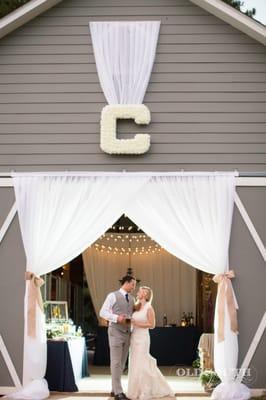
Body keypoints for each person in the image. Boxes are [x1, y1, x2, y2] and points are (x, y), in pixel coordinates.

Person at [127, 286, 175, 400]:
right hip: (134, 337)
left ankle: (146, 390)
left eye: (139, 291)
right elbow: (131, 321)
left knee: (142, 362)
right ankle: (135, 390)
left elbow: (152, 325)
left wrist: (137, 324)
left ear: (145, 294)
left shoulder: (149, 308)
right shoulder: (136, 306)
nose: (137, 293)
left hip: (143, 338)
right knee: (134, 363)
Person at [100, 275, 136, 400]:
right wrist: (116, 318)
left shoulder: (132, 299)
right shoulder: (112, 295)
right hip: (115, 331)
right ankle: (118, 393)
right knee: (115, 362)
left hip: (127, 333)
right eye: (133, 284)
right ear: (126, 283)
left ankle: (114, 388)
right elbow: (103, 312)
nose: (134, 287)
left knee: (121, 363)